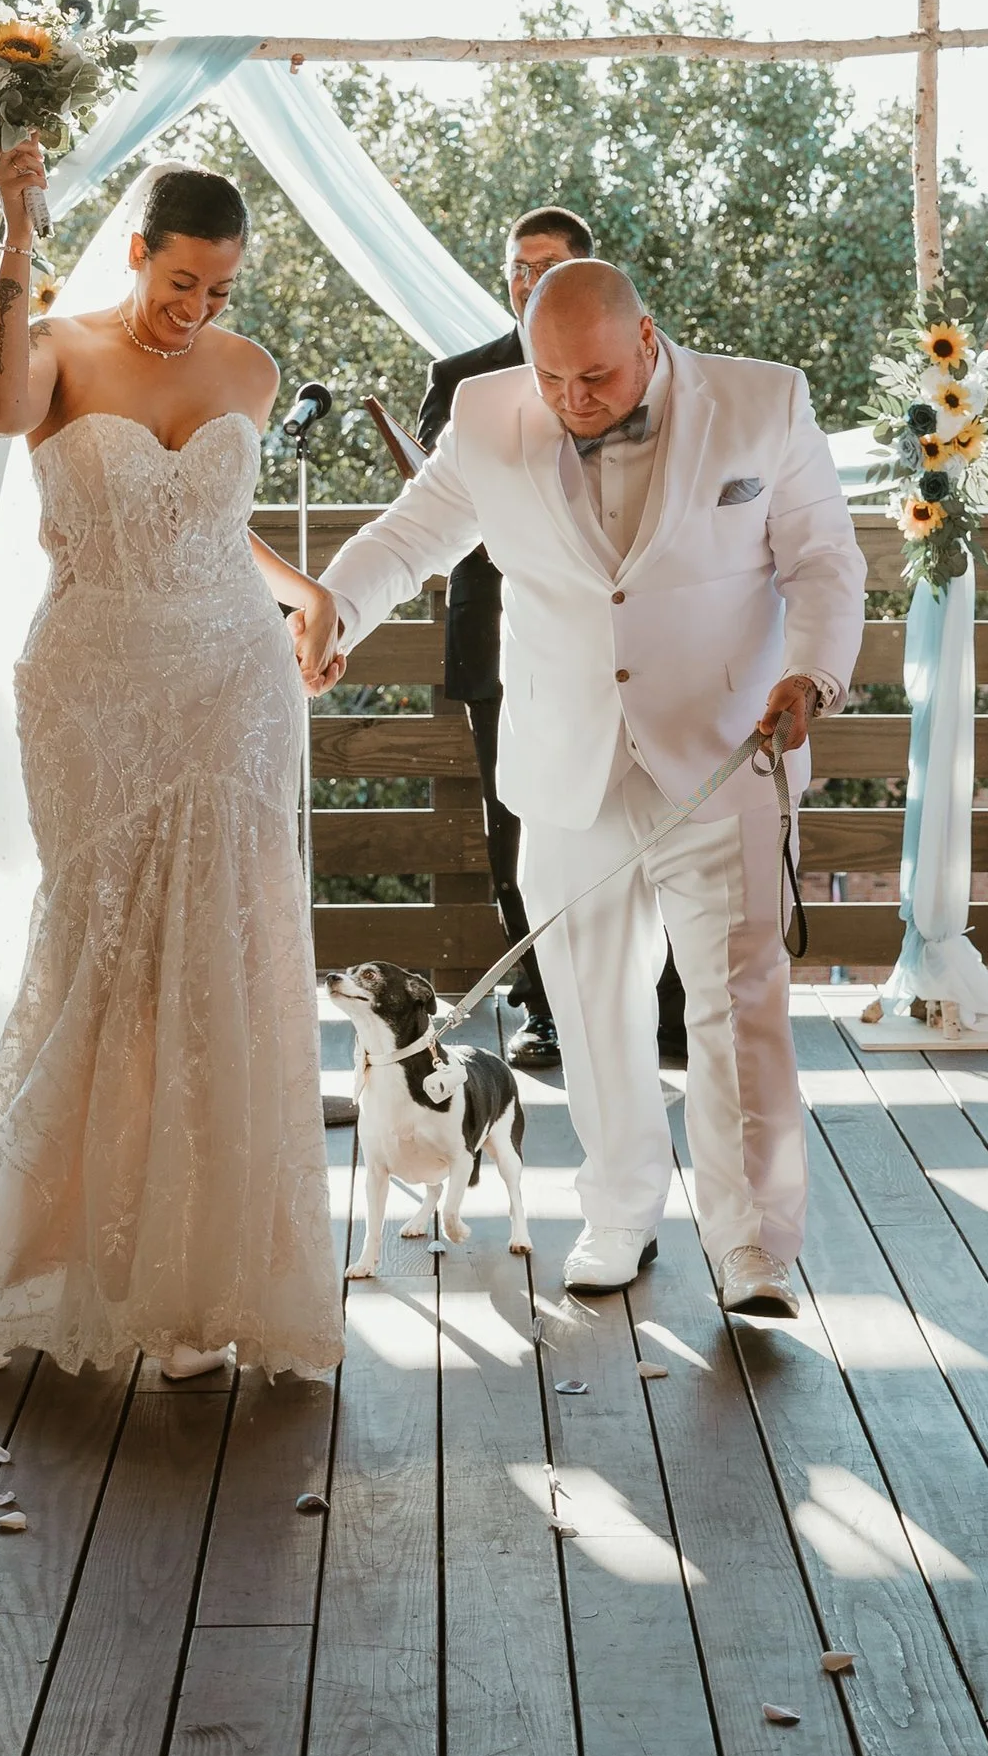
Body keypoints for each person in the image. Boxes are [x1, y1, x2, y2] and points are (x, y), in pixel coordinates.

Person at [301, 257, 866, 1319]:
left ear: (648, 338)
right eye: (550, 379)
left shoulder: (762, 400)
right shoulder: (484, 412)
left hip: (724, 752)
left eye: (595, 378)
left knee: (736, 1001)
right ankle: (617, 1217)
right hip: (566, 763)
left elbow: (826, 560)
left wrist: (815, 671)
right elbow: (413, 534)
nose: (570, 401)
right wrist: (335, 607)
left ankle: (752, 1250)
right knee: (591, 1007)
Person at [0, 159, 342, 1384]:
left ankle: (211, 1268)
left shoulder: (246, 372)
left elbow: (203, 523)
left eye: (219, 287)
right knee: (110, 943)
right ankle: (85, 1246)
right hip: (97, 685)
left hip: (235, 684)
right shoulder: (52, 347)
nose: (194, 309)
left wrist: (303, 592)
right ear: (137, 250)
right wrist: (16, 238)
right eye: (181, 279)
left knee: (229, 948)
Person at [418, 207, 593, 1073]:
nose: (529, 281)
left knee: (612, 813)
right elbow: (432, 509)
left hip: (599, 641)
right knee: (513, 825)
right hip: (493, 639)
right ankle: (543, 1006)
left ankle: (655, 1004)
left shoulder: (621, 366)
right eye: (518, 268)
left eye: (547, 266)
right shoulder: (460, 379)